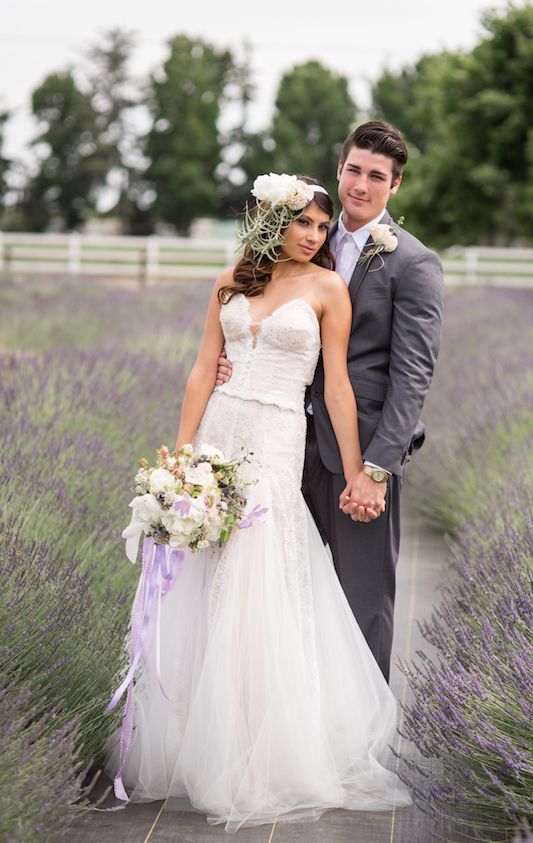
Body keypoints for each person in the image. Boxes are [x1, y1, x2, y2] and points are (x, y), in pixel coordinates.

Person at [105, 174, 410, 832]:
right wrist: (180, 459)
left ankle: (254, 753)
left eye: (324, 228)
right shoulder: (229, 283)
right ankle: (203, 742)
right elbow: (201, 366)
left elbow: (335, 389)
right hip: (220, 431)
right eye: (303, 223)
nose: (314, 236)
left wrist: (359, 470)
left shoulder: (328, 290)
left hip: (273, 441)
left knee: (257, 583)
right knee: (206, 584)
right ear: (273, 220)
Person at [218, 122, 444, 683]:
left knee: (361, 599)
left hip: (358, 453)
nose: (361, 185)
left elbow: (412, 375)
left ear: (395, 186)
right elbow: (256, 313)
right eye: (354, 170)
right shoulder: (303, 241)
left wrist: (375, 469)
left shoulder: (412, 262)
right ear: (340, 170)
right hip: (283, 445)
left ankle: (360, 747)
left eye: (376, 176)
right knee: (281, 592)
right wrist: (235, 360)